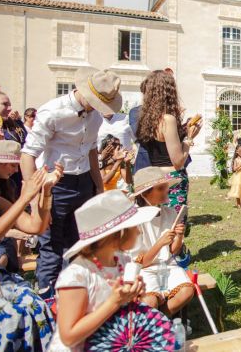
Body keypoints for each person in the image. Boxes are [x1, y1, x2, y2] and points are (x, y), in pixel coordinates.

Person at [21, 68, 121, 298]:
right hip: (55, 185)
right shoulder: (53, 112)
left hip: (84, 182)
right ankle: (47, 303)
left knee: (79, 246)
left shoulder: (94, 116)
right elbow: (28, 155)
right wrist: (35, 196)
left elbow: (92, 150)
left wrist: (98, 185)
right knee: (51, 249)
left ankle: (72, 299)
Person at [48, 190, 160, 351]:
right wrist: (114, 302)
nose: (138, 231)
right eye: (133, 227)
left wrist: (134, 294)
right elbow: (69, 336)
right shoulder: (76, 275)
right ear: (117, 235)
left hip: (113, 343)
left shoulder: (121, 260)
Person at [0, 155, 58, 351]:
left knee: (36, 305)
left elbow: (36, 225)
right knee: (13, 314)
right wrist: (23, 199)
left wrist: (44, 193)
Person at [129, 167, 194, 315]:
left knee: (187, 291)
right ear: (146, 193)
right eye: (161, 188)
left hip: (167, 266)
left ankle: (162, 320)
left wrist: (178, 235)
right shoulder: (135, 219)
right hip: (144, 269)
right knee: (150, 301)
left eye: (166, 187)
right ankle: (156, 323)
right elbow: (141, 263)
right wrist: (160, 243)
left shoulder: (169, 212)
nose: (167, 191)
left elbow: (173, 252)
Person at [136, 70, 202, 208]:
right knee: (174, 227)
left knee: (158, 226)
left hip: (153, 179)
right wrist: (189, 138)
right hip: (171, 180)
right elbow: (178, 162)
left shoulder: (144, 119)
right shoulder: (167, 119)